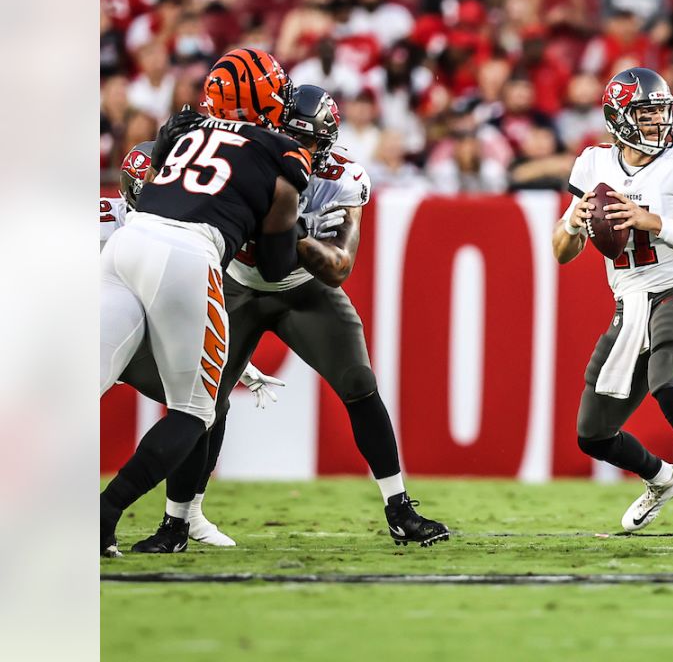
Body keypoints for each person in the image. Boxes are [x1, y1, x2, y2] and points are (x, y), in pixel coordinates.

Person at [128, 85, 450, 553]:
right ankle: (175, 523)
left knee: (359, 383)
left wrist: (295, 240)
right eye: (293, 137)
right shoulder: (252, 153)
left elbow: (340, 266)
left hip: (303, 289)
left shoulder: (341, 177)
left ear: (330, 140)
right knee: (203, 405)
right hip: (236, 285)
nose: (305, 150)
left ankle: (399, 509)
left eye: (314, 142)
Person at [100, 48, 311, 557]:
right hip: (188, 255)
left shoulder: (184, 129)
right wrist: (291, 235)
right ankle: (103, 515)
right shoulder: (285, 153)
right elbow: (277, 267)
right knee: (196, 411)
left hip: (127, 243)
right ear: (263, 99)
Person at [552, 67, 673, 544]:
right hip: (628, 301)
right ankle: (663, 479)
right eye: (645, 113)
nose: (658, 122)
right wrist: (575, 223)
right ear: (617, 117)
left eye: (662, 111)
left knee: (671, 390)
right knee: (592, 434)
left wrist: (651, 219)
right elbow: (561, 252)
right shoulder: (594, 163)